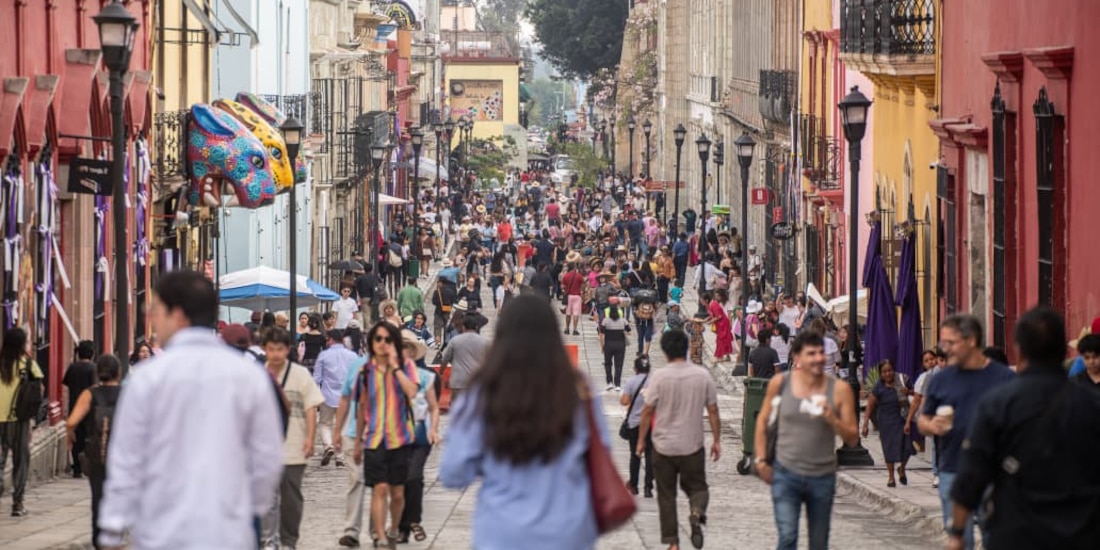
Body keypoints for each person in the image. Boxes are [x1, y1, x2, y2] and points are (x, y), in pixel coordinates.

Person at [96, 271, 284, 548]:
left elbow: (126, 458)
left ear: (178, 314)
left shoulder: (148, 378)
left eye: (156, 310)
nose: (151, 319)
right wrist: (245, 508)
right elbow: (267, 457)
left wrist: (112, 527)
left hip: (161, 533)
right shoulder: (248, 377)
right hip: (228, 532)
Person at [440, 294, 609, 550]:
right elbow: (598, 456)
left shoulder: (483, 392)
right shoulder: (578, 390)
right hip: (567, 532)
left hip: (502, 533)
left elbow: (454, 472)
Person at [949, 306, 1100, 550]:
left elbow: (970, 475)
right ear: (1064, 349)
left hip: (1015, 535)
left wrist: (956, 534)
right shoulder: (1092, 404)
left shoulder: (997, 404)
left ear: (1020, 349)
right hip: (1082, 536)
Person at [753, 331, 860, 550]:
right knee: (787, 536)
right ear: (797, 358)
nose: (819, 358)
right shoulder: (780, 383)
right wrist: (761, 460)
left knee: (819, 542)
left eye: (821, 352)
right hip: (786, 472)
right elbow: (763, 422)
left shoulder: (839, 390)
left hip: (822, 475)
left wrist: (832, 418)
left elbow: (852, 437)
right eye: (811, 353)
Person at [917, 314, 1015, 550]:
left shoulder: (1004, 378)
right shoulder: (941, 380)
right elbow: (923, 419)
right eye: (943, 343)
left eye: (951, 343)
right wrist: (931, 426)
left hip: (994, 473)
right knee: (959, 539)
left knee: (997, 538)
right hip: (952, 468)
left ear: (971, 341)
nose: (945, 349)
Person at [636, 330, 721, 550]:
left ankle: (673, 543)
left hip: (663, 446)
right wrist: (717, 440)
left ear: (664, 351)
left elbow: (647, 411)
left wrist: (641, 440)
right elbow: (712, 410)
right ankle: (696, 511)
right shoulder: (702, 375)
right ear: (686, 348)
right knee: (698, 488)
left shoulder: (659, 377)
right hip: (692, 445)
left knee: (666, 495)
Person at [352, 322, 421, 549]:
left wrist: (395, 367)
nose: (382, 344)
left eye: (387, 339)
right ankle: (380, 537)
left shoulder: (406, 366)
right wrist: (357, 443)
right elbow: (362, 407)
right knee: (379, 488)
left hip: (399, 437)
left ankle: (393, 530)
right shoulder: (366, 372)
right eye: (378, 339)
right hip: (374, 438)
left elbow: (412, 392)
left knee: (398, 493)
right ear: (372, 343)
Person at [260, 327, 324, 550]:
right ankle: (269, 541)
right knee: (266, 499)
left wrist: (310, 439)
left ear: (287, 349)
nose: (276, 354)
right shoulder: (258, 374)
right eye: (271, 349)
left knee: (290, 499)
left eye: (279, 349)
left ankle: (289, 540)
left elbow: (310, 408)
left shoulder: (300, 375)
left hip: (294, 447)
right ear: (264, 349)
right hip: (265, 449)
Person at [64, 354, 122, 548]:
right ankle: (116, 532)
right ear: (118, 372)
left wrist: (70, 435)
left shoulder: (90, 394)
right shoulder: (128, 393)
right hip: (121, 454)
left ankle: (98, 538)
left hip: (97, 452)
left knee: (98, 495)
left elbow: (71, 421)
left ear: (98, 373)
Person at [396, 330, 441, 544]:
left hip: (421, 436)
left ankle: (412, 520)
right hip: (396, 435)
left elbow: (434, 407)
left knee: (413, 477)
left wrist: (434, 429)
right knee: (404, 481)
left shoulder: (426, 377)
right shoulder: (390, 376)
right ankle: (405, 526)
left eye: (407, 348)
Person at [0, 327, 44, 517]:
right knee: (21, 461)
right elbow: (39, 390)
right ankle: (17, 503)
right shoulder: (27, 364)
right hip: (20, 419)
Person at [861, 359, 913, 487]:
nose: (888, 374)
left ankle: (902, 468)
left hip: (902, 418)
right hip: (886, 421)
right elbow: (870, 405)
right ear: (880, 373)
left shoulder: (902, 380)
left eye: (890, 370)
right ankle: (891, 477)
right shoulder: (878, 386)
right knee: (888, 448)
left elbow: (916, 395)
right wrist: (865, 423)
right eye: (884, 372)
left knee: (907, 447)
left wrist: (908, 392)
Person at [314, 329, 357, 468]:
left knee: (325, 423)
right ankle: (340, 456)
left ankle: (328, 445)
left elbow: (317, 378)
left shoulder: (323, 355)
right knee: (344, 426)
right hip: (346, 395)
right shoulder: (352, 356)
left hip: (327, 395)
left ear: (331, 340)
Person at [63, 340, 97, 478]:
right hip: (88, 409)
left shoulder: (72, 367)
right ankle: (87, 466)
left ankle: (76, 467)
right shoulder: (93, 368)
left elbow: (66, 383)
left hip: (73, 406)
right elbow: (95, 387)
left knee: (76, 438)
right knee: (88, 437)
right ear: (92, 354)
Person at [621, 355, 653, 498]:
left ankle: (633, 485)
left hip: (635, 423)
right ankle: (648, 487)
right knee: (650, 455)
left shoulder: (631, 381)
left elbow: (625, 400)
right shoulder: (655, 382)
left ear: (635, 368)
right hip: (652, 424)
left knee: (635, 455)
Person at [442, 315, 491, 404]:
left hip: (458, 382)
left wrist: (441, 373)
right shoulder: (484, 342)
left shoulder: (455, 340)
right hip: (476, 382)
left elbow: (445, 358)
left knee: (457, 411)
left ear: (463, 326)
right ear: (476, 327)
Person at [600, 303, 631, 391]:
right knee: (619, 365)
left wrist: (602, 345)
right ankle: (617, 384)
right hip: (620, 345)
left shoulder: (605, 320)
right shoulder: (623, 320)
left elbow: (601, 334)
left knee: (608, 364)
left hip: (608, 344)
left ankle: (609, 382)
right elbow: (629, 331)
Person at [561, 262, 586, 335]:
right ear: (574, 267)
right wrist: (582, 292)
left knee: (568, 313)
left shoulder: (566, 275)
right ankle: (575, 329)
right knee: (576, 313)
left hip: (569, 296)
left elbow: (563, 286)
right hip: (577, 296)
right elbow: (583, 284)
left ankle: (567, 328)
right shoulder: (579, 275)